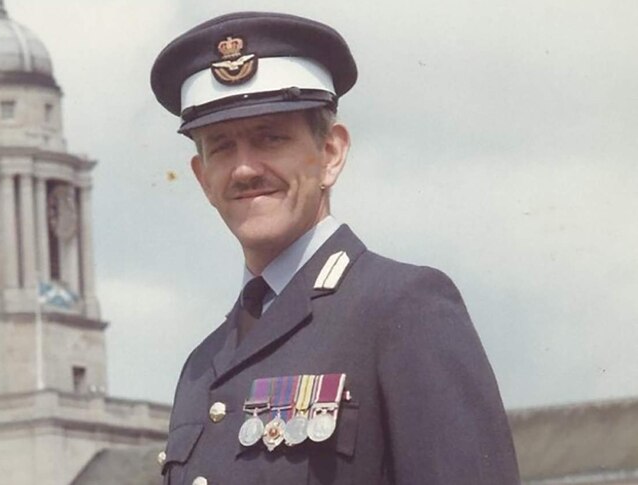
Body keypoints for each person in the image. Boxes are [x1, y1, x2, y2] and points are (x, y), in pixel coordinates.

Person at [150, 11, 520, 485]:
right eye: (221, 147)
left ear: (330, 154)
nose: (244, 169)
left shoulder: (401, 308)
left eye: (270, 138)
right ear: (202, 177)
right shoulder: (202, 368)